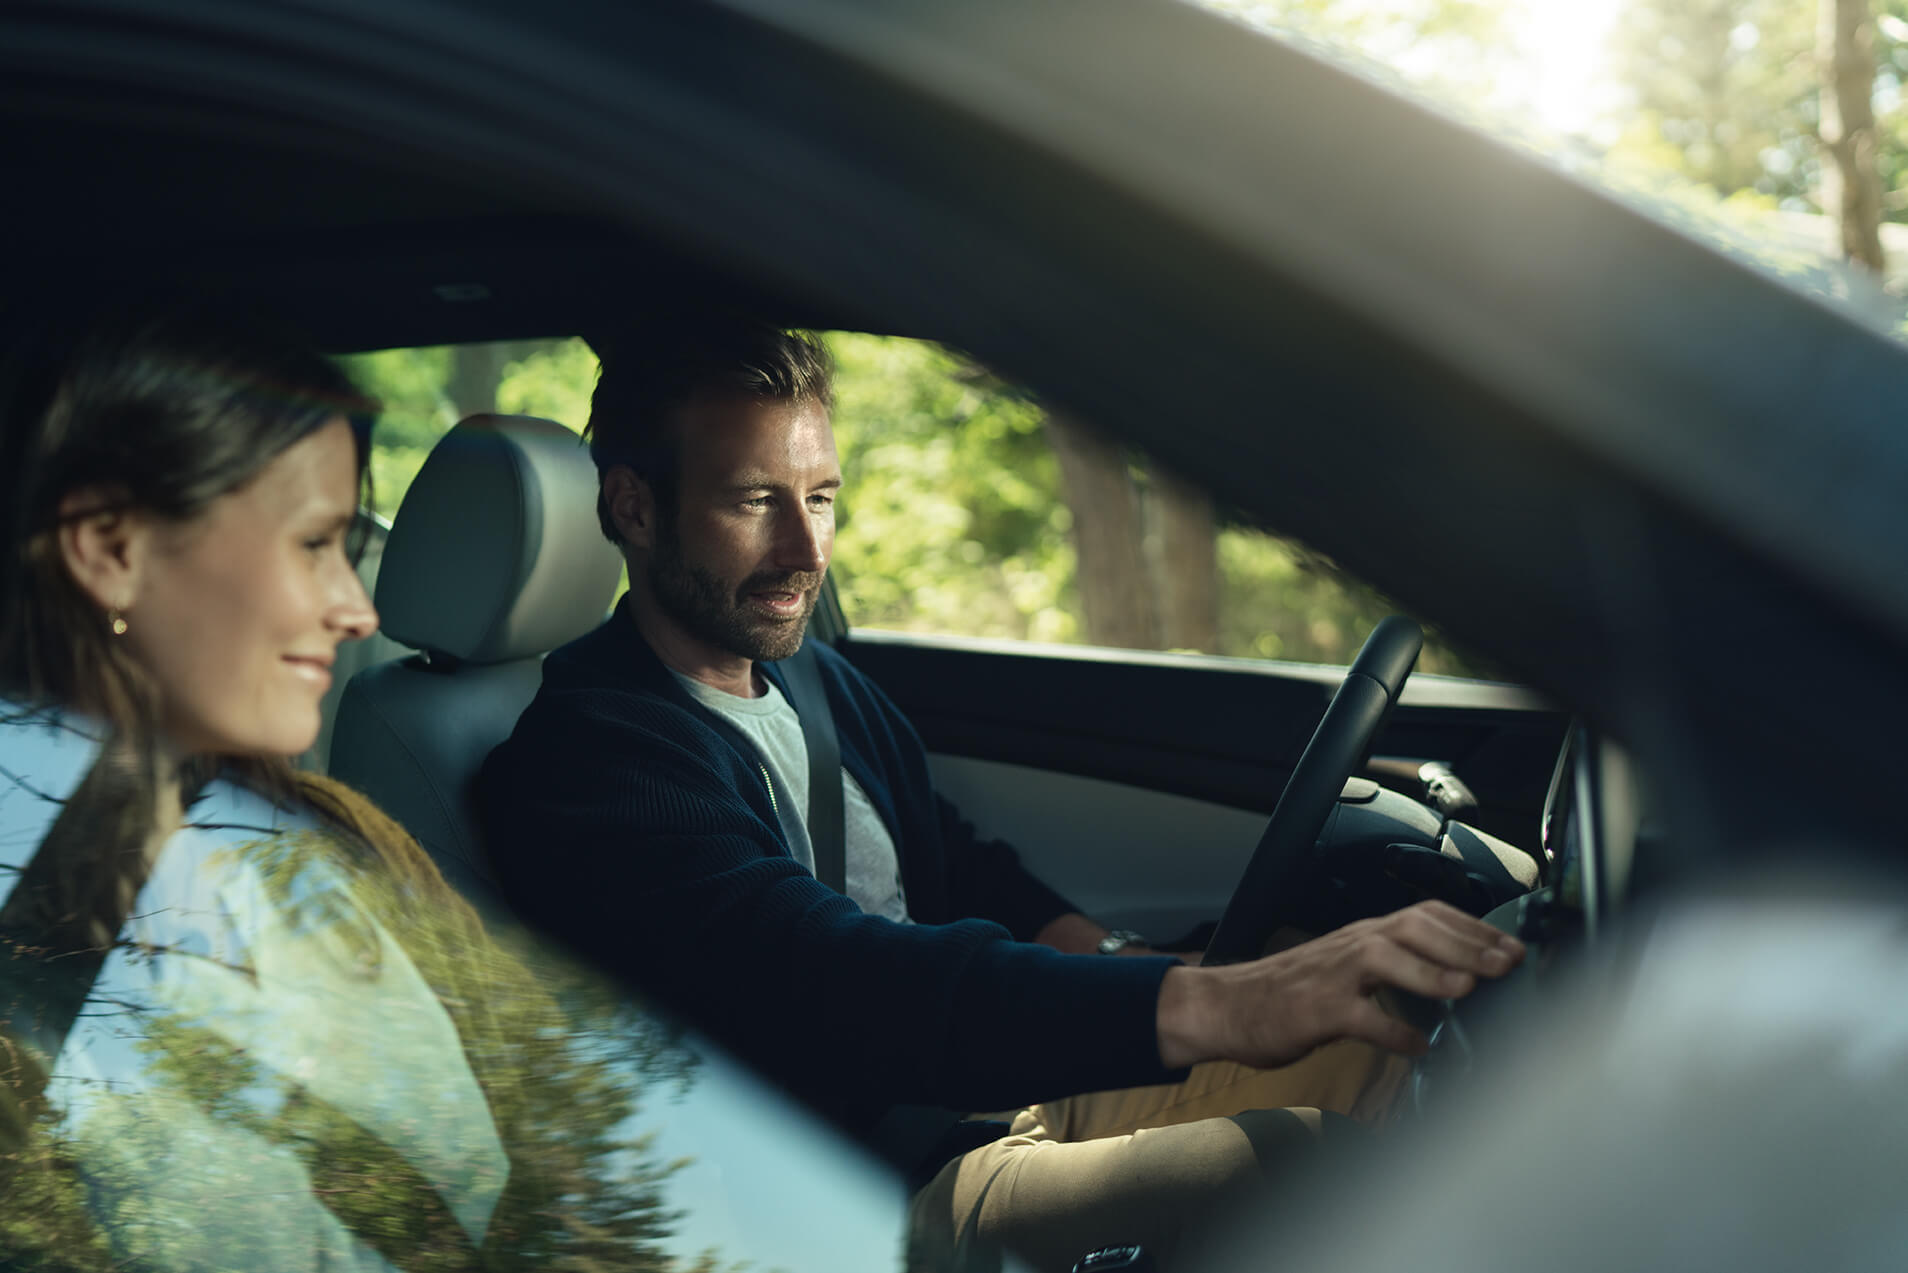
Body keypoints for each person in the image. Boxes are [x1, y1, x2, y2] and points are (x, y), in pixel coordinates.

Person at [480, 319, 1526, 1271]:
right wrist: (1218, 1002)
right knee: (1297, 1161)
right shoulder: (593, 765)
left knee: (1384, 1036)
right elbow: (830, 978)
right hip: (857, 1177)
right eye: (755, 501)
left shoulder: (807, 673)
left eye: (822, 498)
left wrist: (1130, 965)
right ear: (631, 505)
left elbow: (955, 857)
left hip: (985, 1085)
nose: (805, 551)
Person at [0, 304, 661, 1270]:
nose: (359, 611)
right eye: (315, 544)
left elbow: (570, 1127)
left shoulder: (344, 834)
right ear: (109, 549)